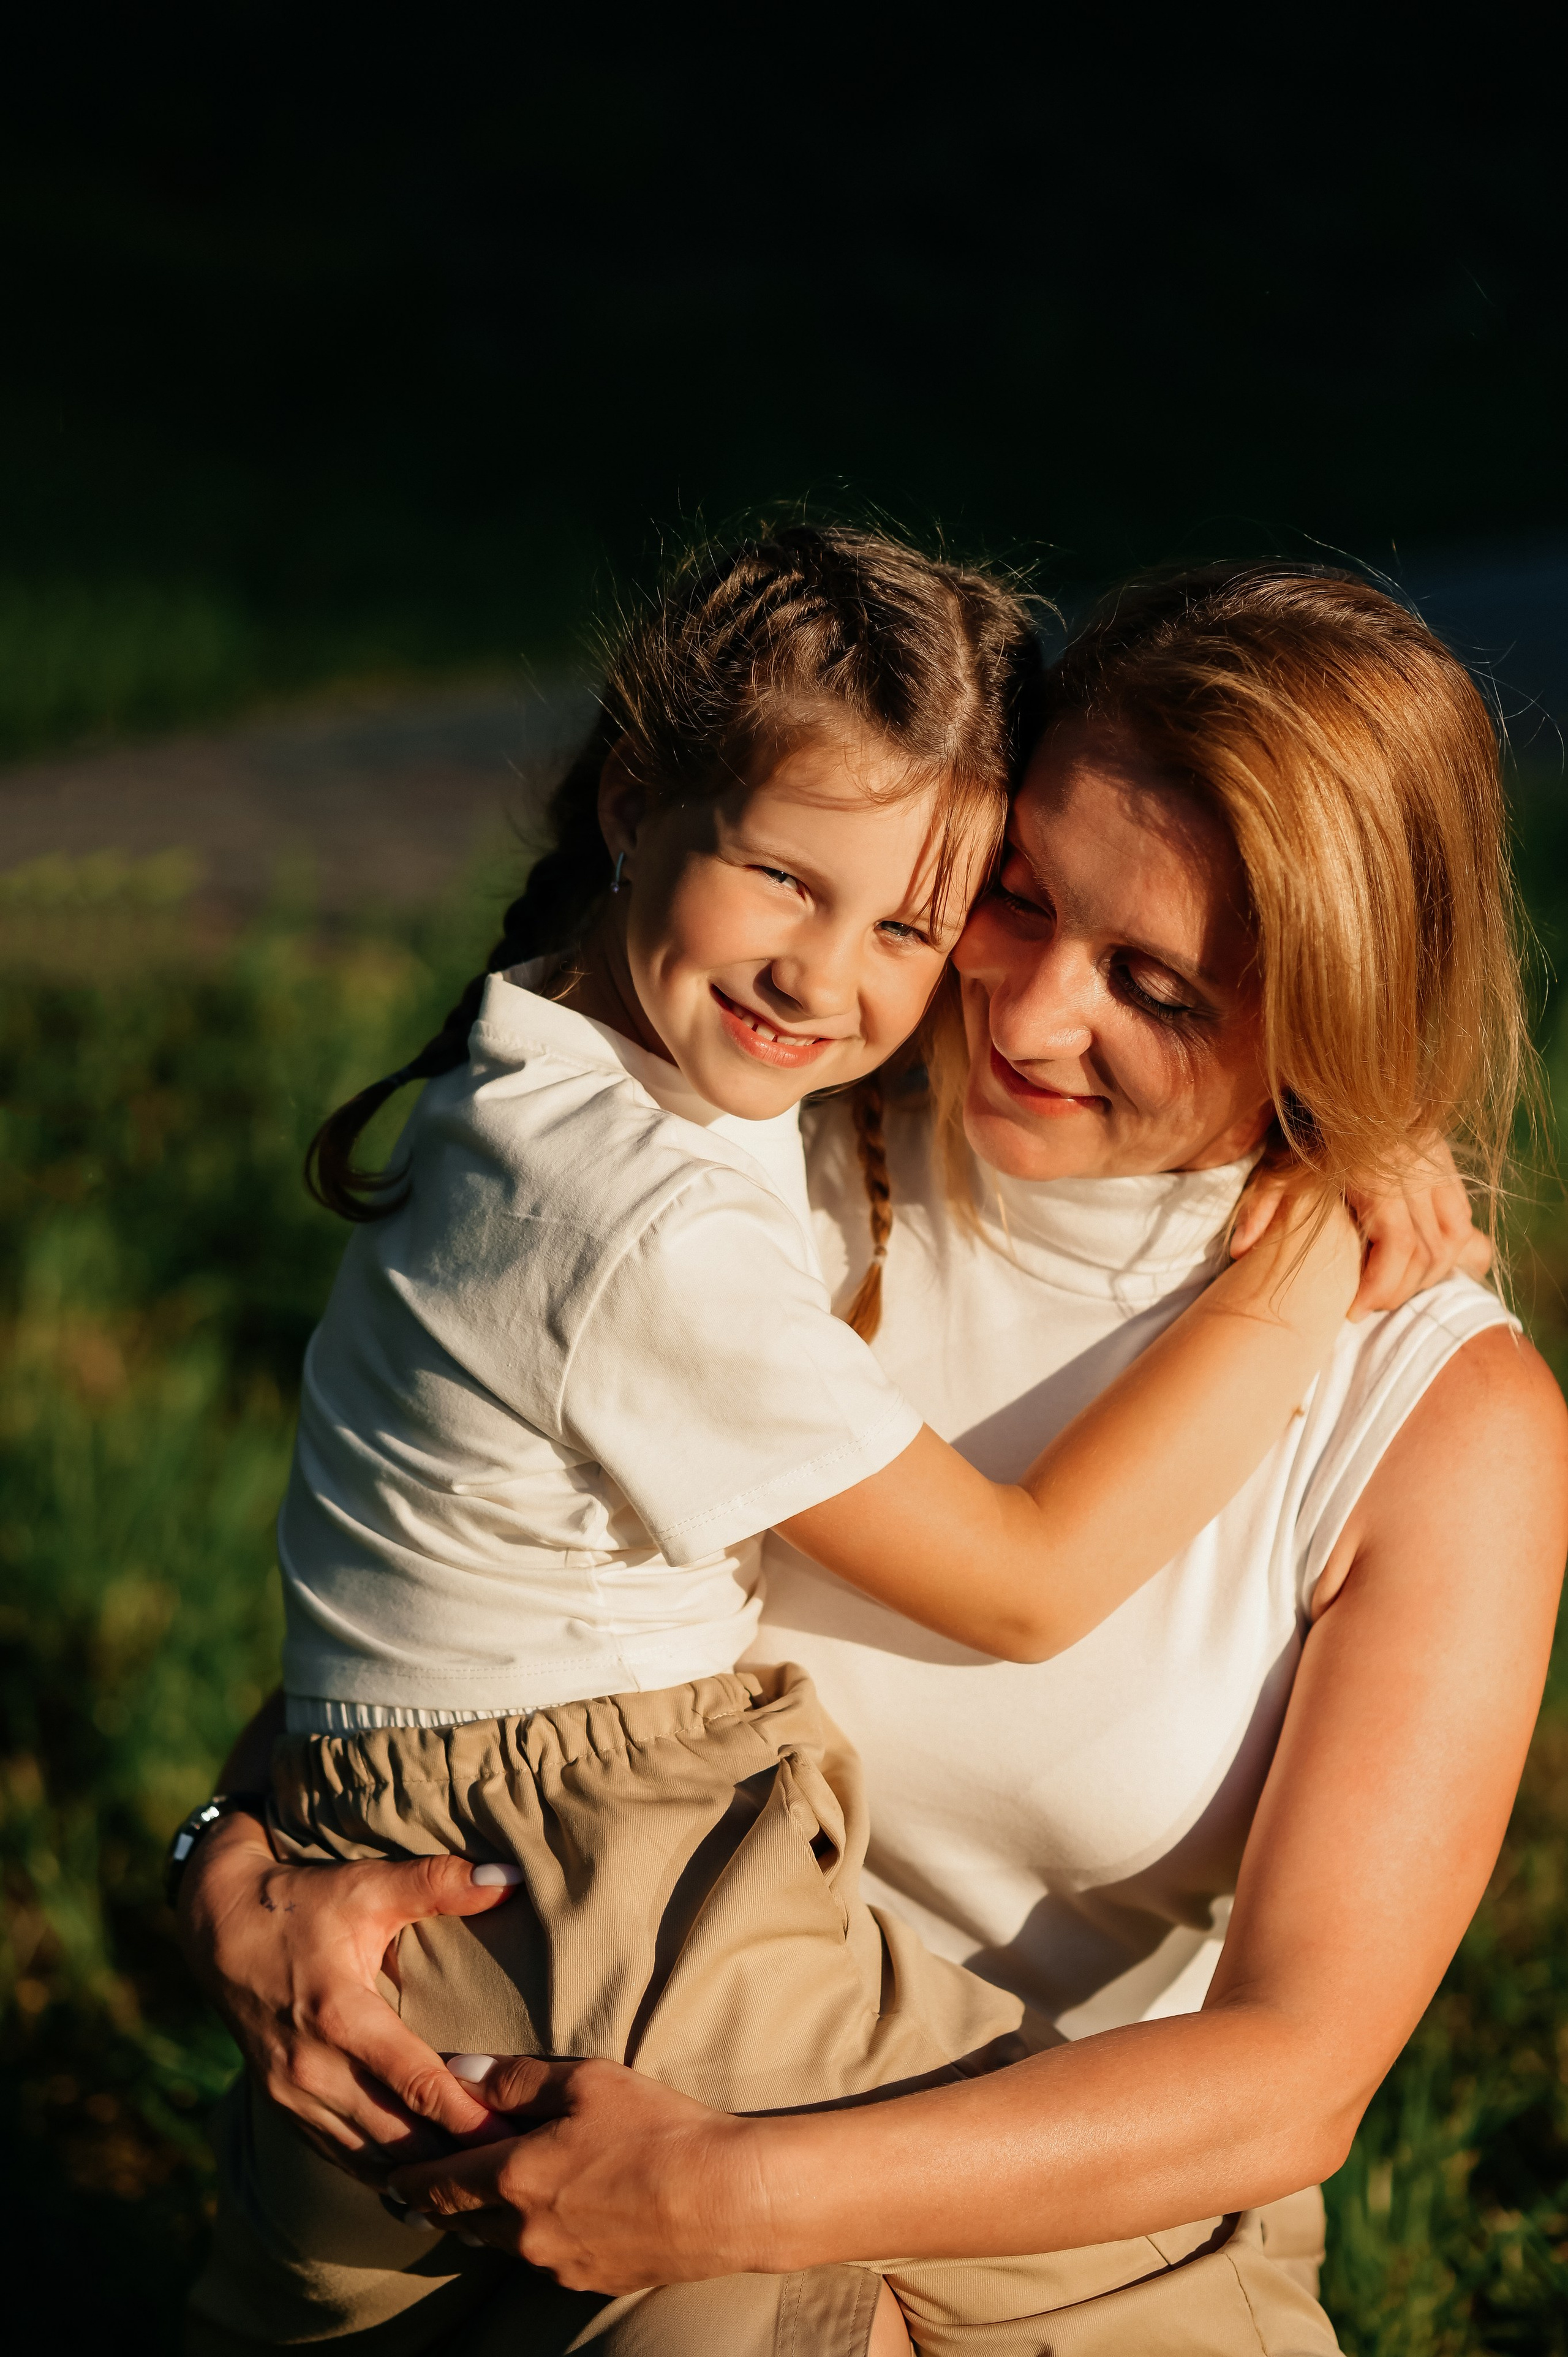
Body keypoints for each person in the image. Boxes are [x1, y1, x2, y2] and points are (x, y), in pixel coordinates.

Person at [176, 564, 1555, 2357]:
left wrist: (727, 2186)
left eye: (1154, 984)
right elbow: (455, 1604)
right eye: (1015, 903)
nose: (1032, 1015)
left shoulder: (1429, 1415)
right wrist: (227, 1872)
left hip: (1048, 2202)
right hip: (560, 2068)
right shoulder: (762, 1140)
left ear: (1336, 1003)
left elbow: (1289, 2086)